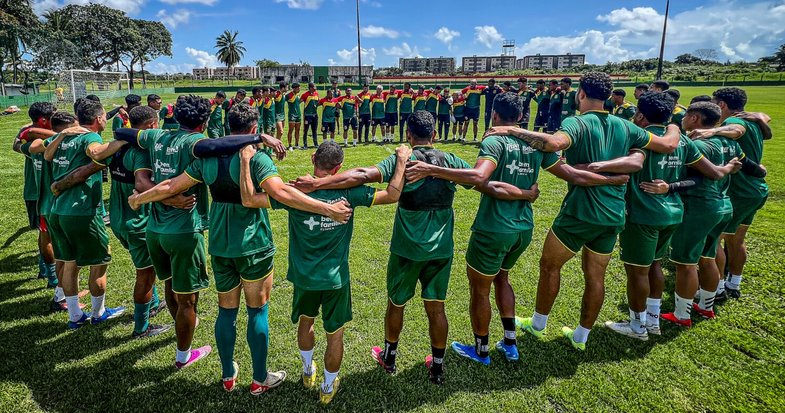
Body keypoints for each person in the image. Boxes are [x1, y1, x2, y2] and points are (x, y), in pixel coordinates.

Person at [128, 102, 351, 394]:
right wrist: (326, 208)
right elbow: (281, 192)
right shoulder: (257, 159)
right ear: (254, 130)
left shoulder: (207, 160)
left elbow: (170, 186)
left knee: (226, 312)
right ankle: (260, 379)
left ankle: (228, 374)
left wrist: (139, 200)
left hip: (221, 243)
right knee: (257, 312)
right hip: (253, 244)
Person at [406, 91, 639, 363]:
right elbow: (573, 175)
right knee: (503, 278)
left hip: (494, 227)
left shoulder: (494, 140)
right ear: (521, 117)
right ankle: (510, 344)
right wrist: (612, 181)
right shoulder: (537, 146)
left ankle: (481, 351)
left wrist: (432, 170)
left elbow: (480, 178)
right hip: (523, 228)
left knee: (480, 290)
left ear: (494, 116)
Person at [482, 73, 685, 350]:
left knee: (550, 265)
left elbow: (554, 143)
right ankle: (581, 337)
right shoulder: (626, 127)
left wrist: (512, 130)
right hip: (614, 213)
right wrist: (674, 124)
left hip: (581, 211)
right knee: (595, 277)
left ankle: (538, 324)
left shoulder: (576, 122)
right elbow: (667, 144)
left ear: (580, 94)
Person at [290, 111, 476, 384]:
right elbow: (475, 178)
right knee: (437, 308)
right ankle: (437, 366)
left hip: (406, 247)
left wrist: (318, 183)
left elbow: (364, 174)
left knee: (396, 303)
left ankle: (389, 357)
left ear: (409, 136)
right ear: (434, 136)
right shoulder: (450, 160)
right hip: (441, 248)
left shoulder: (404, 158)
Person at [260, 141, 410, 404]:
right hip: (335, 278)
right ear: (339, 167)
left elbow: (253, 198)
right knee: (335, 334)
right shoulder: (351, 192)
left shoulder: (294, 192)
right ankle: (328, 387)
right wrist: (401, 161)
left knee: (306, 322)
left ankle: (308, 371)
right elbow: (393, 194)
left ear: (312, 158)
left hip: (304, 277)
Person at [599, 92, 740, 340]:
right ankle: (653, 321)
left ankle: (637, 326)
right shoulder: (683, 141)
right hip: (673, 213)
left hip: (643, 215)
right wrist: (727, 168)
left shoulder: (638, 137)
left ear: (640, 115)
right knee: (654, 265)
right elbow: (709, 173)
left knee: (637, 272)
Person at [661, 102, 764, 327]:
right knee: (708, 256)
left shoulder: (696, 144)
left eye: (687, 114)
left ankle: (681, 314)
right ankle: (706, 307)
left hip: (699, 208)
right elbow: (753, 168)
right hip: (724, 206)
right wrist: (759, 170)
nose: (683, 118)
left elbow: (691, 178)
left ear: (695, 118)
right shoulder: (730, 143)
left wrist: (668, 187)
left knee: (685, 262)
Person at [40, 99, 128, 329]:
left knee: (70, 263)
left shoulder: (66, 136)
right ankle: (98, 312)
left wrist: (61, 135)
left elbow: (46, 155)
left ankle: (75, 316)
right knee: (100, 260)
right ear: (99, 119)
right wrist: (122, 140)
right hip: (81, 210)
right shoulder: (91, 136)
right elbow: (96, 152)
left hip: (56, 210)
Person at [104, 106, 183, 338]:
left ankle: (153, 303)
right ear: (151, 125)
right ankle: (141, 327)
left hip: (118, 218)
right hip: (137, 222)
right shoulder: (140, 151)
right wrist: (172, 199)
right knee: (146, 275)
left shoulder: (116, 148)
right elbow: (141, 184)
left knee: (145, 267)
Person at [694, 87, 771, 300]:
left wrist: (713, 131)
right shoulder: (754, 120)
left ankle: (717, 288)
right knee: (736, 240)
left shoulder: (733, 122)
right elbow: (766, 117)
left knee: (715, 240)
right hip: (756, 189)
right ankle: (733, 283)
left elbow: (736, 131)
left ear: (722, 105)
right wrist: (760, 118)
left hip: (739, 191)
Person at [12, 102, 58, 287]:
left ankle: (44, 268)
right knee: (48, 235)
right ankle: (53, 278)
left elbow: (16, 144)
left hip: (34, 192)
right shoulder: (38, 141)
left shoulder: (28, 135)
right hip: (39, 191)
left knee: (44, 233)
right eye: (52, 116)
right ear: (43, 120)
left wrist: (26, 130)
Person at [302, 83, 320, 148]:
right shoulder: (305, 95)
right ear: (311, 88)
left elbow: (318, 102)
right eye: (314, 87)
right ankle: (305, 144)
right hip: (307, 115)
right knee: (306, 130)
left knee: (314, 130)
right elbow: (299, 102)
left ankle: (315, 144)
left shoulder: (317, 94)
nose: (315, 88)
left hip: (315, 115)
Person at [286, 83, 302, 150]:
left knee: (297, 130)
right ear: (294, 88)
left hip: (298, 115)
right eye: (298, 88)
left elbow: (298, 103)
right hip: (292, 115)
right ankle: (290, 145)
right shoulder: (289, 95)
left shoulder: (298, 95)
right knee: (291, 130)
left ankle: (297, 144)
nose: (299, 89)